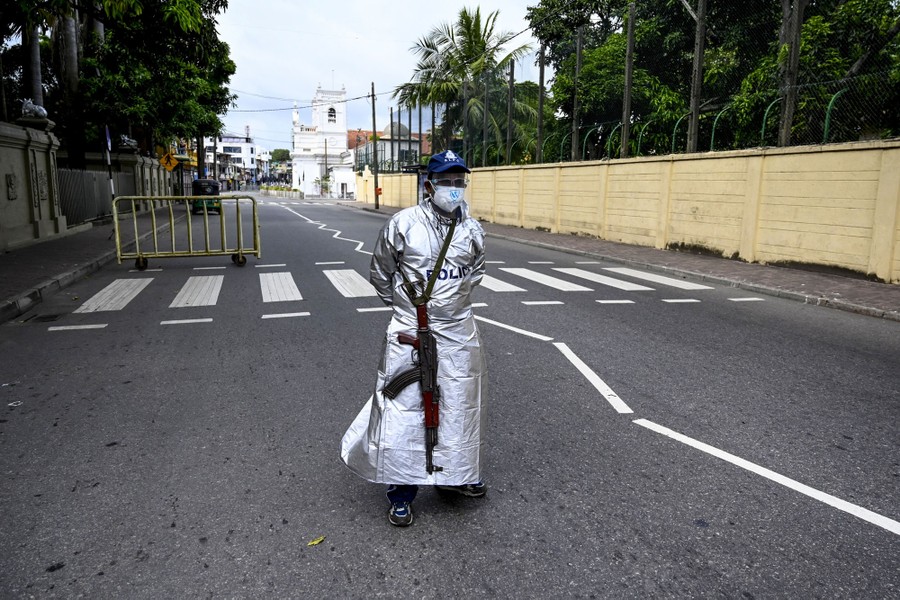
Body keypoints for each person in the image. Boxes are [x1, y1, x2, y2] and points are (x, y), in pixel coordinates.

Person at [341, 150, 488, 527]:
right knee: (403, 410)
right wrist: (408, 312)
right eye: (446, 182)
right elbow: (380, 272)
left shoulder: (472, 230)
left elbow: (475, 275)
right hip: (410, 330)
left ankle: (454, 476)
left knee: (458, 408)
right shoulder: (403, 224)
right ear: (429, 185)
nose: (453, 189)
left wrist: (449, 309)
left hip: (458, 333)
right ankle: (401, 493)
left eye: (459, 182)